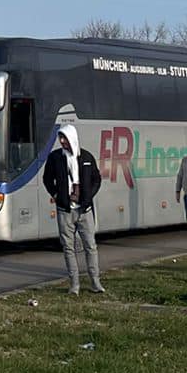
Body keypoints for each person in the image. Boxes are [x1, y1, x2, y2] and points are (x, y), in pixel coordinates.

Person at [40, 123, 104, 294]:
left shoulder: (87, 157)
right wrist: (56, 195)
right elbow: (47, 179)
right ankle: (74, 285)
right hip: (65, 210)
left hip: (85, 210)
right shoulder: (55, 158)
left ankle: (95, 282)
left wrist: (89, 196)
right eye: (60, 138)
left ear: (72, 138)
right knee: (68, 248)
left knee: (90, 246)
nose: (62, 141)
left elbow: (97, 179)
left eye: (65, 138)